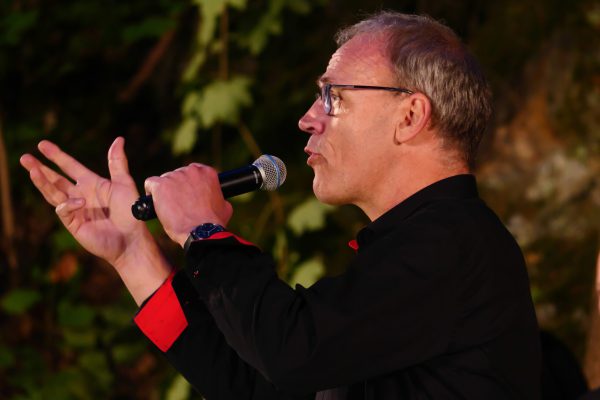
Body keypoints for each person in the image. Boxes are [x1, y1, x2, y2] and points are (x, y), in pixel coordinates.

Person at [20, 11, 541, 400]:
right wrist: (134, 255)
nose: (308, 118)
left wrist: (204, 231)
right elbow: (255, 385)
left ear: (409, 116)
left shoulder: (456, 242)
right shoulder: (423, 250)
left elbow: (291, 352)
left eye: (334, 97)